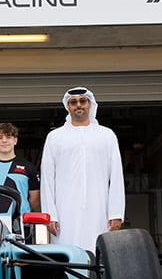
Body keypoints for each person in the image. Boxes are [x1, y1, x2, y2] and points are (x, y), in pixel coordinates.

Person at [40, 86, 125, 252]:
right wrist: (50, 215)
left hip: (100, 211)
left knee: (100, 256)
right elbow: (47, 178)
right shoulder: (55, 137)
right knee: (68, 256)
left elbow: (116, 176)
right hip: (64, 213)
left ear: (90, 104)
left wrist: (116, 213)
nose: (78, 105)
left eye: (82, 101)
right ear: (68, 106)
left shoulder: (106, 135)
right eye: (73, 102)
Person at [0, 122, 40, 217]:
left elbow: (34, 201)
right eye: (0, 137)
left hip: (20, 224)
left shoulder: (29, 167)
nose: (4, 141)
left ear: (15, 140)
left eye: (9, 137)